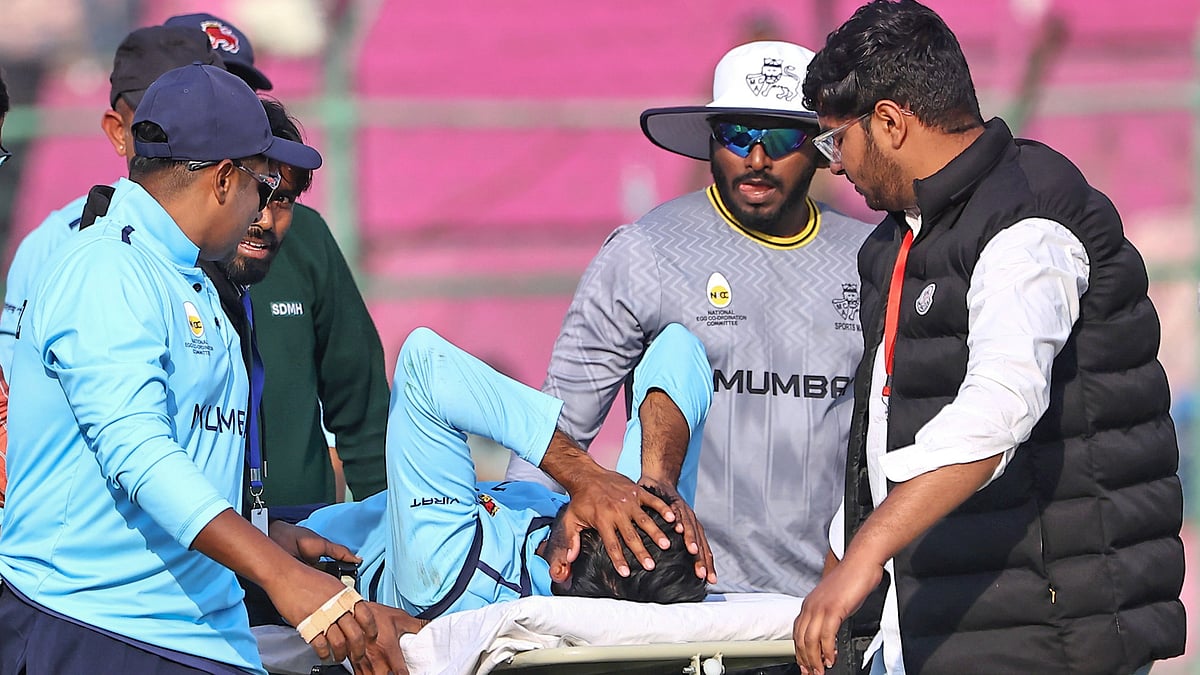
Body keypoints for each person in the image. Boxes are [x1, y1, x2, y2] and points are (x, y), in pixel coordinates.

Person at [791, 2, 1186, 674]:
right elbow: (882, 435)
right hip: (942, 629)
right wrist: (842, 566)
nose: (831, 166)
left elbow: (998, 409)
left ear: (888, 121)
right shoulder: (895, 242)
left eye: (835, 141)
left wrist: (867, 552)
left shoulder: (1029, 225)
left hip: (1055, 636)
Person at [0, 63, 404, 675]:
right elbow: (139, 454)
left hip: (188, 633)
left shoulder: (189, 278)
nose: (266, 213)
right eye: (264, 187)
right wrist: (281, 576)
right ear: (223, 179)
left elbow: (188, 454)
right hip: (97, 629)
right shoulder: (108, 269)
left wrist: (261, 533)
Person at [506, 41, 874, 596]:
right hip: (680, 608)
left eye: (780, 137)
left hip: (831, 605)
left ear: (822, 148)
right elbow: (555, 434)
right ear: (710, 139)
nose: (756, 157)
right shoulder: (645, 252)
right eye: (736, 135)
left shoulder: (873, 257)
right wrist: (527, 565)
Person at [299, 323, 710, 619]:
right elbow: (678, 345)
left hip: (294, 542)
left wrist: (585, 476)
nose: (613, 501)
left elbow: (424, 363)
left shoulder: (451, 571)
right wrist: (658, 484)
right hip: (520, 514)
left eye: (607, 513)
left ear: (562, 564)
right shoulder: (614, 581)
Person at [165, 11, 390, 507]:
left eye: (280, 195)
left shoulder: (306, 239)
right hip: (193, 550)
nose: (263, 215)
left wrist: (394, 537)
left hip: (304, 540)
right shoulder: (139, 256)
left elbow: (364, 412)